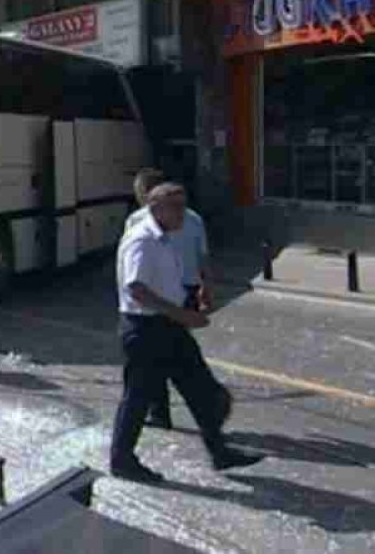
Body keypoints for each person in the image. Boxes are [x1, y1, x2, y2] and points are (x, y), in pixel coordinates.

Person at [110, 183, 262, 482]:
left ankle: (219, 451)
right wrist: (182, 315)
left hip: (169, 326)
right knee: (138, 398)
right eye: (175, 206)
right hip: (146, 329)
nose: (183, 212)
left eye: (184, 204)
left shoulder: (167, 237)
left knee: (200, 387)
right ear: (155, 208)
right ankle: (122, 461)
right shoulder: (143, 240)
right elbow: (136, 288)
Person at [125, 172, 216, 431]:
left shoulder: (137, 221)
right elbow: (204, 257)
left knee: (163, 358)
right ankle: (208, 414)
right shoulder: (194, 218)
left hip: (161, 297)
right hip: (181, 292)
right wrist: (206, 287)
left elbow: (133, 275)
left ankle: (163, 412)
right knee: (175, 355)